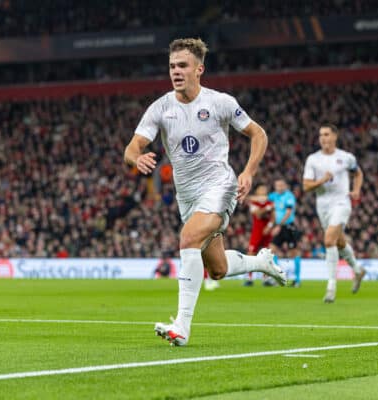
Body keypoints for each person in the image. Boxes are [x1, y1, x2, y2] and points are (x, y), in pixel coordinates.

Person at [123, 38, 286, 346]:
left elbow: (258, 134)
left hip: (219, 187)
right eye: (172, 66)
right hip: (188, 198)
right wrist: (137, 157)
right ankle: (261, 263)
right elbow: (131, 147)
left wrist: (249, 171)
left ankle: (182, 326)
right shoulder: (160, 108)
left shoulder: (219, 102)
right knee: (219, 269)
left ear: (199, 69)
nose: (176, 71)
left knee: (187, 238)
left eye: (182, 65)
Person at [303, 123, 365, 303]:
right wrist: (321, 180)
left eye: (327, 134)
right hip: (322, 205)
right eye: (321, 135)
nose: (323, 138)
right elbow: (306, 186)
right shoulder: (313, 159)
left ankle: (331, 285)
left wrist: (357, 190)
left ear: (335, 136)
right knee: (339, 242)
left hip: (342, 202)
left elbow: (358, 173)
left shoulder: (346, 157)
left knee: (329, 239)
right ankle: (358, 270)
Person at [269, 179, 301, 287]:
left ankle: (297, 280)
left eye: (282, 185)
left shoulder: (289, 196)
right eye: (278, 185)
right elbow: (264, 199)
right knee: (272, 250)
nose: (280, 187)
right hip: (279, 227)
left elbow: (288, 212)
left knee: (293, 253)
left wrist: (278, 225)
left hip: (288, 226)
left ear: (285, 186)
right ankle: (278, 277)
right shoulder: (274, 196)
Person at [244, 184, 275, 286]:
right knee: (251, 253)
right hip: (257, 232)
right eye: (261, 189)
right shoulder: (254, 203)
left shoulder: (270, 202)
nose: (263, 190)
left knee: (266, 254)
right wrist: (267, 208)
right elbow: (258, 214)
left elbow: (274, 217)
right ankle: (249, 278)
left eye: (264, 189)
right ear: (257, 192)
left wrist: (269, 226)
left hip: (267, 232)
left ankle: (266, 279)